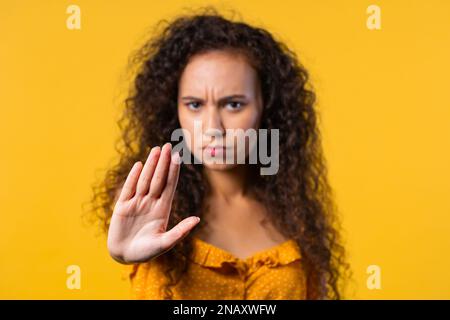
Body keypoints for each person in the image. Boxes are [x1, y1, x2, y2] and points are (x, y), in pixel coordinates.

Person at [90, 8, 348, 300]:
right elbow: (131, 245)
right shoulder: (145, 200)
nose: (213, 128)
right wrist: (124, 253)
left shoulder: (295, 210)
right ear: (173, 109)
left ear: (267, 107)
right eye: (195, 105)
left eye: (234, 104)